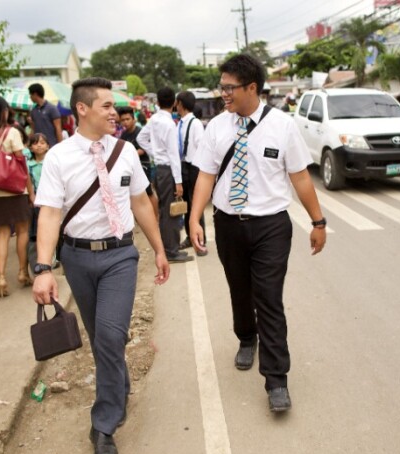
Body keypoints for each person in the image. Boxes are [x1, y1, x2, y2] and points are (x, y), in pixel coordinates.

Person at [32, 76, 170, 454]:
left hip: (120, 255)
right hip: (77, 257)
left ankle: (105, 423)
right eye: (107, 106)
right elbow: (50, 214)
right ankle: (118, 382)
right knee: (100, 338)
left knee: (110, 335)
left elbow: (141, 203)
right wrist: (44, 268)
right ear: (83, 109)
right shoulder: (58, 157)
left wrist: (159, 249)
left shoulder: (126, 151)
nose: (116, 112)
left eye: (115, 107)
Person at [188, 53, 327, 412]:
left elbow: (299, 177)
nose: (224, 94)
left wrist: (318, 221)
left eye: (229, 87)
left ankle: (277, 379)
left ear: (252, 87)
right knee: (239, 289)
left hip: (270, 226)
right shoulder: (216, 127)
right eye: (222, 87)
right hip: (229, 223)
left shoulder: (282, 126)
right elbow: (205, 175)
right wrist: (194, 218)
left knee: (268, 297)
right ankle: (246, 338)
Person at [0, 94, 35, 298]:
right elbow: (21, 164)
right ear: (3, 111)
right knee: (22, 231)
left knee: (1, 235)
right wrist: (31, 191)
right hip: (15, 189)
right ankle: (22, 273)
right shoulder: (11, 133)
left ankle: (1, 277)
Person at [138, 87, 191, 263]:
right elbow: (174, 154)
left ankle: (167, 248)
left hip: (159, 169)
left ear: (158, 102)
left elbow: (141, 139)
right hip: (168, 170)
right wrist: (178, 181)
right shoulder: (169, 124)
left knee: (164, 210)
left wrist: (154, 154)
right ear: (175, 103)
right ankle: (171, 251)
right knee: (171, 212)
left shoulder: (153, 119)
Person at [175, 91, 207, 256]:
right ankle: (190, 236)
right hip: (183, 166)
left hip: (193, 167)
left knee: (196, 204)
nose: (175, 105)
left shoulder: (195, 124)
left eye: (177, 102)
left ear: (181, 103)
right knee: (186, 205)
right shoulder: (180, 123)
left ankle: (201, 241)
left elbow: (201, 147)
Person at [117, 106, 158, 219]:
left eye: (127, 119)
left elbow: (144, 148)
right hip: (130, 167)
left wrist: (131, 153)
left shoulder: (140, 132)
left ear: (133, 119)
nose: (125, 122)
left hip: (144, 165)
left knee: (148, 192)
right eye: (123, 120)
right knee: (135, 194)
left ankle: (156, 217)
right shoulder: (124, 135)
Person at [26, 133, 57, 273]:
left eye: (43, 142)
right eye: (35, 143)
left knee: (55, 228)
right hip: (37, 201)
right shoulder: (28, 164)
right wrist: (32, 196)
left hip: (53, 199)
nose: (39, 145)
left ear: (48, 146)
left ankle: (54, 257)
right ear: (30, 147)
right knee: (38, 230)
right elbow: (29, 183)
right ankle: (43, 259)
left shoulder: (52, 162)